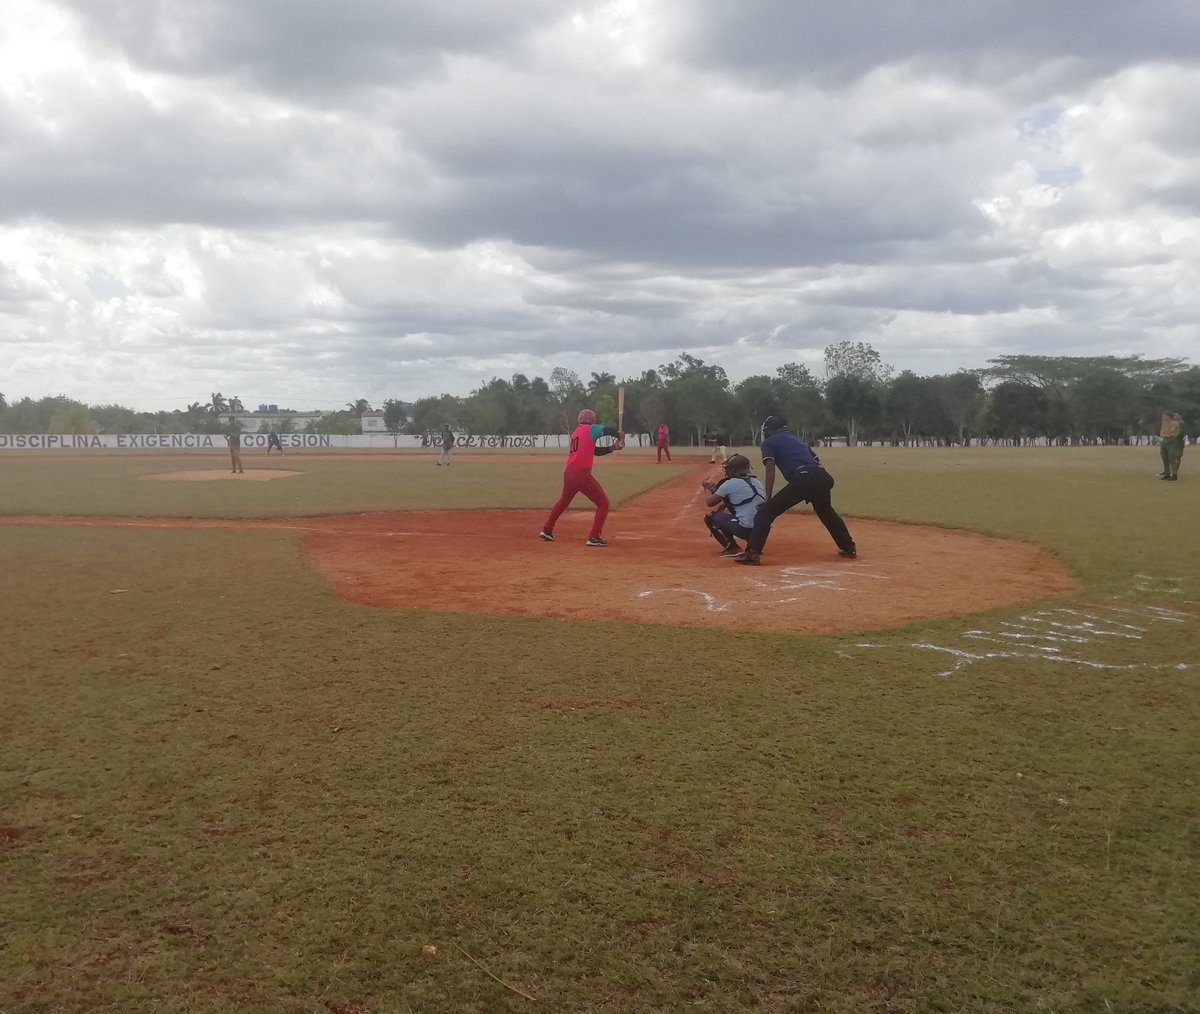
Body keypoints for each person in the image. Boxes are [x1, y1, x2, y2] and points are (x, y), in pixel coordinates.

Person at [733, 415, 855, 565]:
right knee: (826, 511)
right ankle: (848, 547)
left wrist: (768, 498)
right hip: (823, 476)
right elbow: (816, 461)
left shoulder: (769, 442)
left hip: (804, 477)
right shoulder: (797, 439)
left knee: (766, 511)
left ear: (771, 430)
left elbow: (770, 468)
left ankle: (752, 554)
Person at [539, 409, 626, 547]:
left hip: (569, 473)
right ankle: (594, 537)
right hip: (581, 474)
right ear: (592, 420)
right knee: (603, 504)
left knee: (563, 501)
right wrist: (619, 435)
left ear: (579, 420)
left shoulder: (576, 432)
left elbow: (595, 451)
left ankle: (547, 529)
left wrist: (613, 447)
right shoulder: (591, 428)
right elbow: (609, 430)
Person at [702, 454, 765, 558]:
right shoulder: (757, 482)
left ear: (733, 469)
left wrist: (709, 489)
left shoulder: (729, 483)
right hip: (762, 532)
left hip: (747, 529)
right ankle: (754, 545)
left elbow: (709, 503)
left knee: (710, 517)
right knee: (733, 510)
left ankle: (732, 548)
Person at [1158, 412, 1185, 481]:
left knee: (1172, 458)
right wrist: (1167, 435)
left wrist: (1168, 435)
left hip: (1173, 442)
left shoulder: (1175, 423)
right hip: (1165, 441)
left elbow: (1174, 433)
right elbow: (1161, 433)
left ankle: (1174, 475)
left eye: (1164, 416)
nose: (1163, 418)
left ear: (1168, 417)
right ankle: (1167, 473)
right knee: (1164, 458)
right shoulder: (1164, 423)